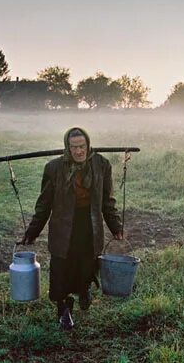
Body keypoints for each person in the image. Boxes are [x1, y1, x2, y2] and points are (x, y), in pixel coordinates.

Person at [22, 127, 123, 330]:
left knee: (87, 264)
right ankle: (63, 308)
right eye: (74, 147)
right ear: (67, 148)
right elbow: (44, 204)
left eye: (82, 146)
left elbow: (107, 201)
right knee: (61, 268)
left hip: (90, 225)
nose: (79, 152)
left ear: (88, 145)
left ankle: (84, 289)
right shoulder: (54, 168)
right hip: (63, 227)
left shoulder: (101, 165)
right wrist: (32, 232)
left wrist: (115, 226)